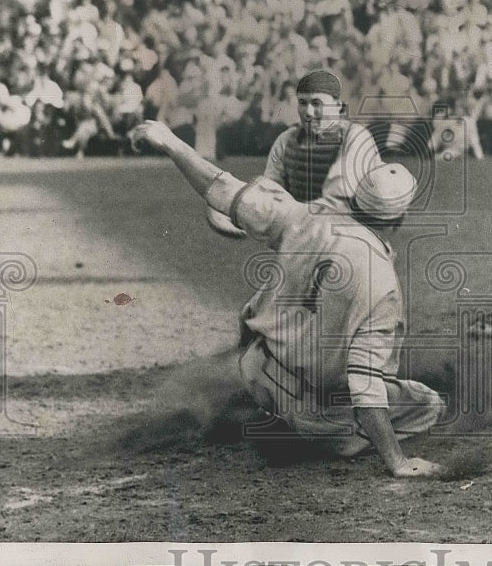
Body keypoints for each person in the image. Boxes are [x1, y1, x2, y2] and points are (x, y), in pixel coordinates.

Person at [129, 120, 446, 477]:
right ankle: (315, 436)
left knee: (279, 315)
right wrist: (398, 462)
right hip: (311, 408)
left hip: (255, 369)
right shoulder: (382, 285)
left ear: (358, 198)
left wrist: (170, 142)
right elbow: (365, 387)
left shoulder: (303, 215)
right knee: (427, 404)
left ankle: (257, 405)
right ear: (399, 217)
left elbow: (221, 188)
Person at [207, 70, 382, 238]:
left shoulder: (356, 138)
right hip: (303, 239)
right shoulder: (286, 140)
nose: (308, 112)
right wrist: (236, 205)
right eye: (303, 103)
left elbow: (337, 200)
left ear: (338, 106)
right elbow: (270, 193)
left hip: (350, 238)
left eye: (316, 103)